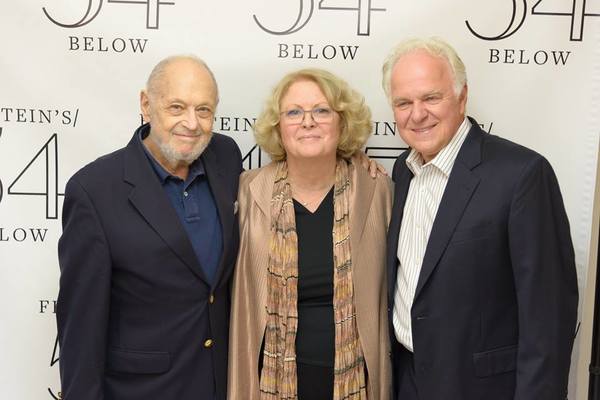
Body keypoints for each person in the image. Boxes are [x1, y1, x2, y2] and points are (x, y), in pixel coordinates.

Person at [382, 37, 579, 400]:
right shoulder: (403, 171)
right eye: (403, 103)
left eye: (430, 97)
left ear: (462, 95)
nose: (417, 113)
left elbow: (549, 318)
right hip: (407, 380)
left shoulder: (522, 174)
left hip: (483, 388)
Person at [56, 55, 242, 400]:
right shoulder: (94, 189)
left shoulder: (225, 156)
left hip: (219, 384)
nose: (192, 123)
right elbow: (81, 325)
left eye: (204, 110)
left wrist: (355, 162)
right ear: (146, 104)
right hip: (141, 389)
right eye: (176, 107)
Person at [228, 68, 392, 399]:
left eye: (321, 110)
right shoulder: (248, 191)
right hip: (270, 383)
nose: (308, 121)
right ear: (278, 126)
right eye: (293, 112)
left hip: (355, 382)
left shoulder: (376, 191)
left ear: (342, 122)